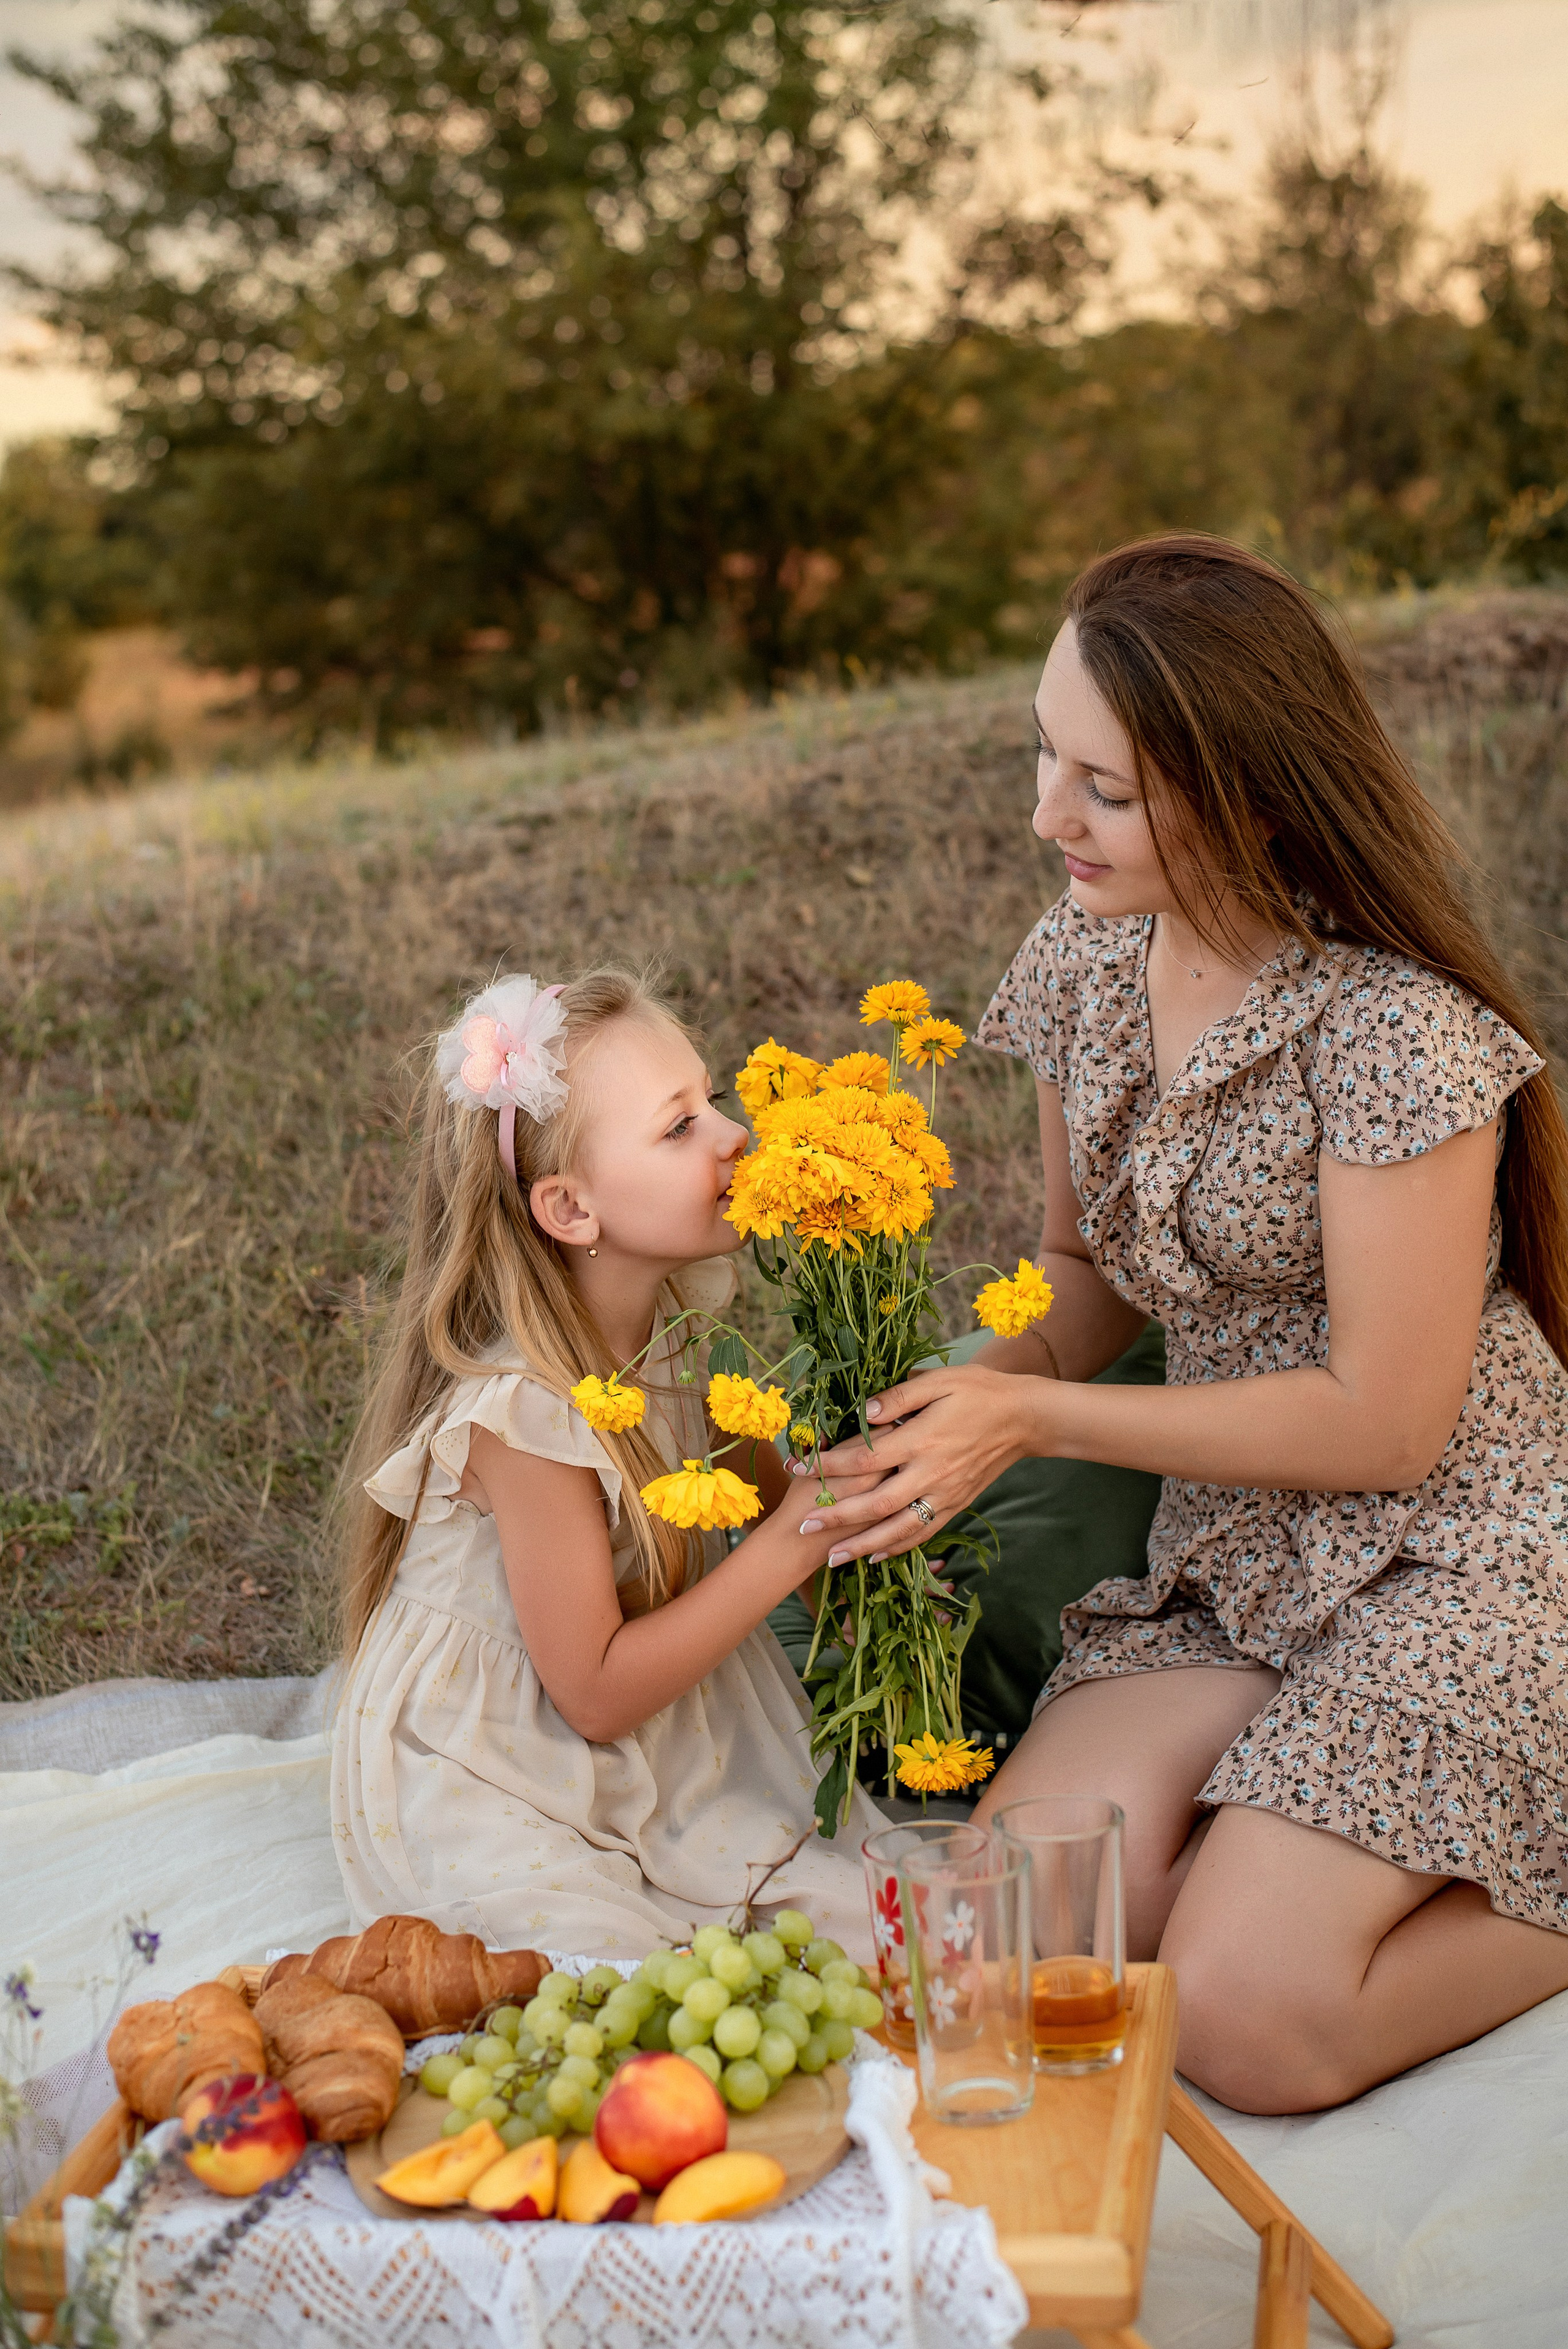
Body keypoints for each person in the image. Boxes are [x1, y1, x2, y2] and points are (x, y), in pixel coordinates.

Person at [798, 535, 1568, 2113]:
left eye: (1105, 786)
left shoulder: (1392, 1031)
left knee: (1238, 2018)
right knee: (1003, 1950)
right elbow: (1078, 1277)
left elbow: (1385, 1419)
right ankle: (1285, 1820)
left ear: (1249, 787)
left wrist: (1035, 1421)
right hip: (1230, 1562)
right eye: (1042, 753)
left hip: (1459, 1552)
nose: (1043, 816)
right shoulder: (1081, 959)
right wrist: (933, 1404)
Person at [331, 967, 884, 1961]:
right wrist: (808, 1534)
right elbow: (592, 1691)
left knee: (866, 1915)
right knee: (596, 1959)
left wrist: (856, 1492)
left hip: (633, 1727)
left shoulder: (666, 1340)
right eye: (679, 1129)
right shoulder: (522, 1415)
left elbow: (770, 1498)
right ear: (572, 1210)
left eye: (711, 1100)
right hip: (495, 1763)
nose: (733, 1136)